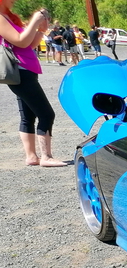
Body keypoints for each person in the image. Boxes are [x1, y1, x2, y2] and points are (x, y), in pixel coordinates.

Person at [0, 0, 67, 166]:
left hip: (25, 71)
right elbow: (21, 40)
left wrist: (41, 29)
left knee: (28, 116)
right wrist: (35, 20)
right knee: (46, 114)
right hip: (20, 72)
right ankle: (46, 157)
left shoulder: (7, 17)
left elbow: (29, 45)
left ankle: (31, 156)